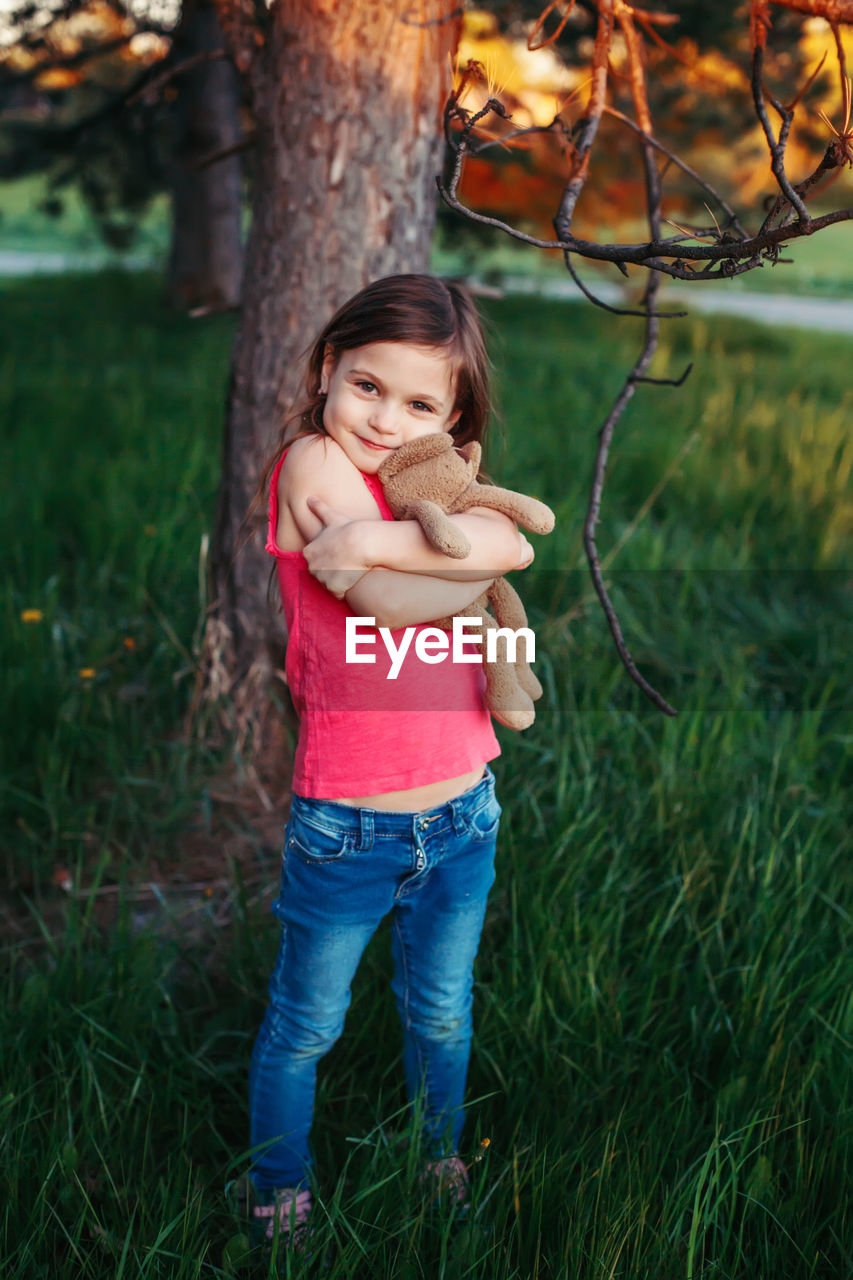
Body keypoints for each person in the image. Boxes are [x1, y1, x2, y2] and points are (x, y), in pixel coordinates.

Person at [243, 274, 539, 1248]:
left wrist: (421, 541)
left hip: (463, 808)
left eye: (419, 403)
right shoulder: (312, 463)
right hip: (351, 819)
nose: (385, 417)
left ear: (452, 418)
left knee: (443, 1013)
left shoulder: (429, 481)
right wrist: (453, 560)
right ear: (328, 367)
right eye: (366, 384)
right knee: (307, 1024)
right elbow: (381, 600)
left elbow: (509, 539)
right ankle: (279, 1189)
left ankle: (438, 1154)